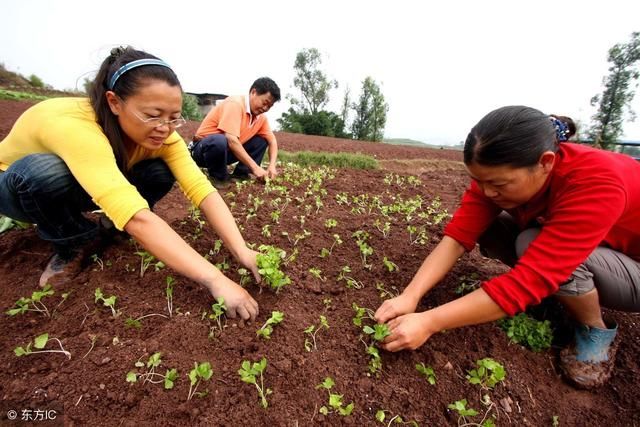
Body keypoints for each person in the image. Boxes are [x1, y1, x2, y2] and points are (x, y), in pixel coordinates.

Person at [375, 106, 640, 388]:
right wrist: (410, 295)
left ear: (545, 162)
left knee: (532, 244)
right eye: (479, 181)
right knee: (489, 226)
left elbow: (528, 281)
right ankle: (558, 294)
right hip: (599, 248)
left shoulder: (595, 182)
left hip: (633, 269)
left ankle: (593, 330)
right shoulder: (496, 175)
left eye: (499, 184)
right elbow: (457, 237)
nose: (487, 192)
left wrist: (429, 322)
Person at [0, 46, 260, 321]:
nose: (164, 127)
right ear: (114, 102)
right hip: (17, 188)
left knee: (159, 170)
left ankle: (111, 225)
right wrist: (215, 279)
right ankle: (74, 240)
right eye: (152, 115)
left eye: (174, 118)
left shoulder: (164, 135)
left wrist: (242, 250)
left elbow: (202, 190)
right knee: (43, 172)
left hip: (83, 182)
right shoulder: (74, 126)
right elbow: (137, 218)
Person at [189, 77, 281, 188]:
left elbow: (272, 140)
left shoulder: (261, 118)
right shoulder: (235, 104)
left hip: (225, 153)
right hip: (203, 151)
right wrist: (256, 168)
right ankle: (218, 177)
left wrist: (272, 166)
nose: (265, 108)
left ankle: (241, 175)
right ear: (253, 92)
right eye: (264, 102)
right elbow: (231, 140)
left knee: (261, 140)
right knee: (220, 140)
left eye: (269, 106)